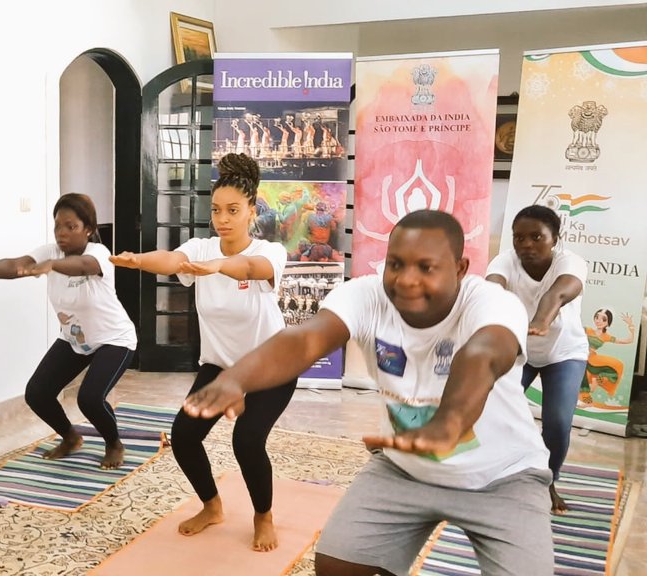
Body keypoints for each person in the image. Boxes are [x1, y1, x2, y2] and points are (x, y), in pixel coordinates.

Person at [184, 210, 553, 576]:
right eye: (396, 264)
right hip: (403, 469)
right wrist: (237, 378)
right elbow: (305, 340)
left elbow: (482, 356)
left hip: (503, 478)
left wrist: (450, 423)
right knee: (336, 564)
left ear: (460, 268)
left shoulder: (493, 302)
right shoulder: (366, 295)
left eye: (426, 268)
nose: (406, 280)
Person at [111, 153, 293, 552]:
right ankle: (212, 507)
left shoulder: (271, 251)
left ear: (251, 210)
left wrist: (217, 267)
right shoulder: (201, 246)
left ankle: (264, 516)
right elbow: (173, 260)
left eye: (232, 210)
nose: (223, 219)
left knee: (247, 440)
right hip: (221, 367)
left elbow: (250, 268)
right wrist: (138, 260)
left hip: (271, 365)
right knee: (184, 435)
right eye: (216, 210)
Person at [0, 193, 136, 469]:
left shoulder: (99, 254)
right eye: (58, 226)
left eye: (71, 227)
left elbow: (83, 266)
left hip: (114, 339)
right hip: (75, 339)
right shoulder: (50, 252)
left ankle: (114, 443)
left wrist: (53, 265)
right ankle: (71, 438)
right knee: (37, 393)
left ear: (89, 229)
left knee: (90, 398)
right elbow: (15, 265)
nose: (62, 233)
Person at [486, 204, 588, 513]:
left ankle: (548, 481)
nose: (526, 245)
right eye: (519, 238)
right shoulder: (506, 261)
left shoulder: (570, 262)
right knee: (490, 410)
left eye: (536, 237)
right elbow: (492, 289)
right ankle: (497, 473)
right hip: (521, 351)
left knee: (557, 422)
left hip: (565, 353)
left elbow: (556, 294)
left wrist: (543, 321)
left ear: (555, 238)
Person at [582, 307, 636, 406]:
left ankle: (588, 401)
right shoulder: (587, 330)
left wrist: (631, 326)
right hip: (582, 356)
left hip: (593, 360)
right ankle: (586, 400)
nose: (599, 321)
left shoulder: (606, 336)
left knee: (595, 379)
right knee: (584, 378)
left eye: (603, 319)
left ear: (608, 323)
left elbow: (628, 341)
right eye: (597, 317)